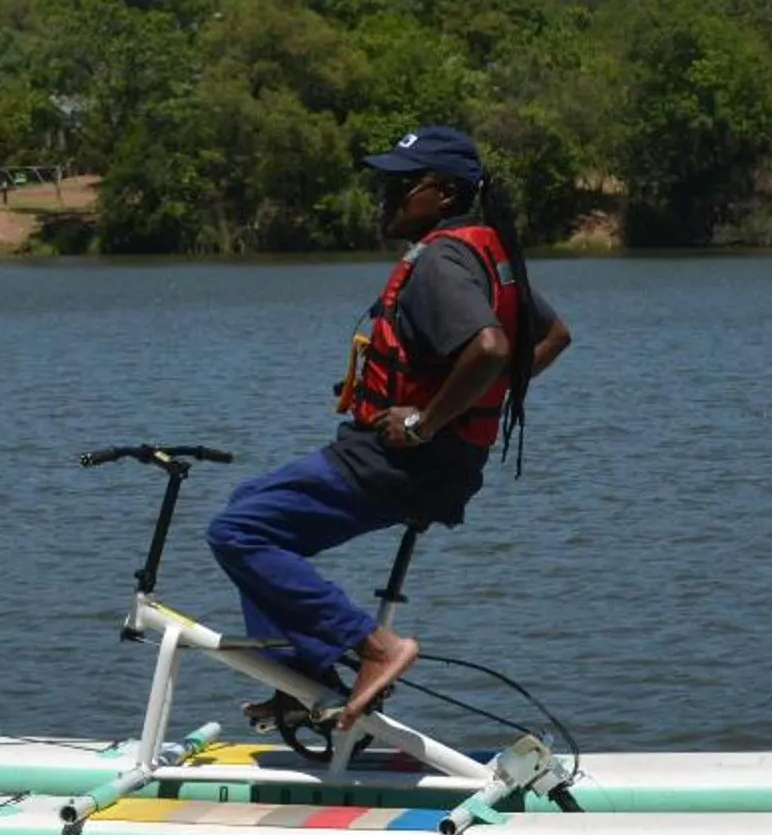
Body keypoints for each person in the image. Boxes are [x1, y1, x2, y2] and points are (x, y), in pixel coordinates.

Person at [205, 124, 573, 728]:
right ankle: (301, 680)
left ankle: (372, 647)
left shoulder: (441, 261)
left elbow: (487, 347)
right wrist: (455, 403)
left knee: (238, 532)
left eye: (402, 186)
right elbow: (553, 336)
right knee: (252, 507)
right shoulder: (485, 250)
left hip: (403, 463)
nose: (386, 198)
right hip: (435, 463)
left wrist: (428, 421)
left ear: (447, 194)